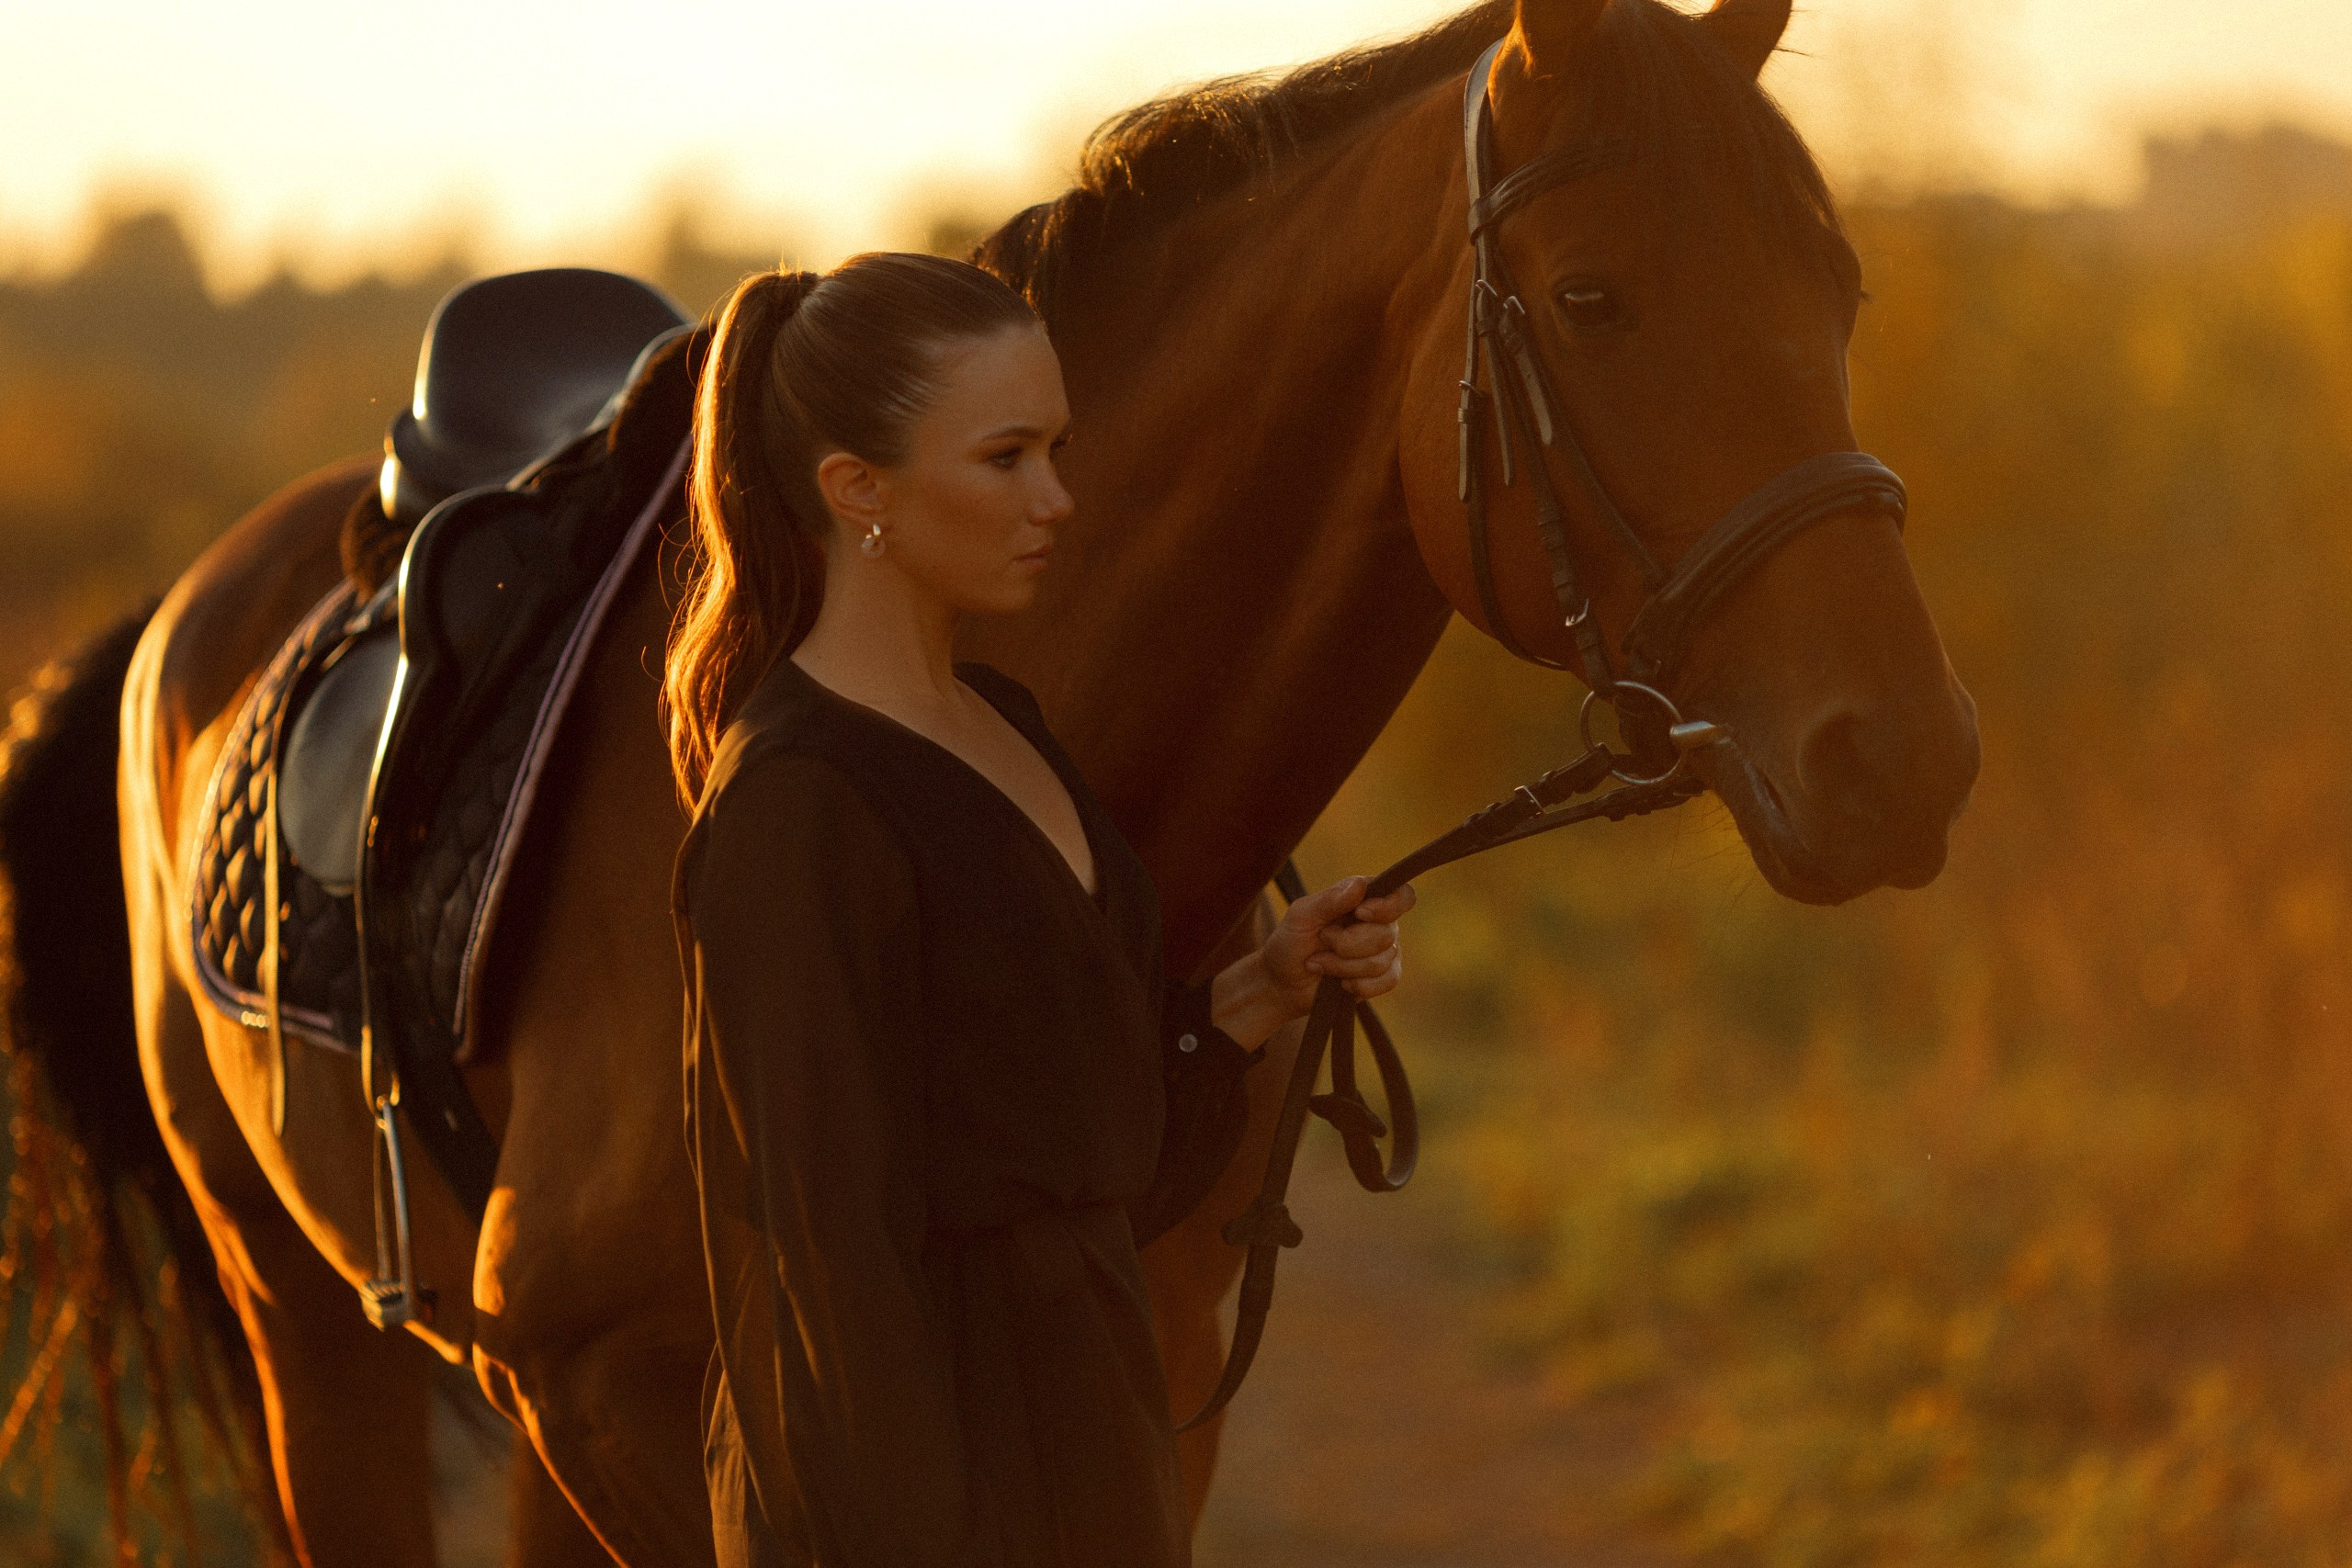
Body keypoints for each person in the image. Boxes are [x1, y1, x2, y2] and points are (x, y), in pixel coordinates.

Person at [664, 252, 1414, 1568]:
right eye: (1006, 458)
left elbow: (1083, 1153)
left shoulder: (1004, 723)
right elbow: (822, 1270)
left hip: (1092, 1450)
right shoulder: (798, 805)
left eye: (1057, 450)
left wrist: (1264, 988)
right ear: (858, 490)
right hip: (918, 1505)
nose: (1057, 498)